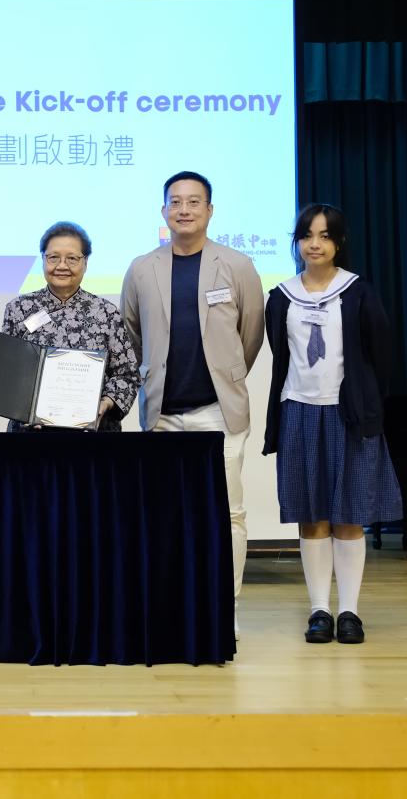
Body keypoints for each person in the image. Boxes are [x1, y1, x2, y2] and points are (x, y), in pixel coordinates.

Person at [121, 171, 264, 636]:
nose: (184, 210)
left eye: (194, 202)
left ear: (210, 210)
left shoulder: (237, 265)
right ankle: (172, 607)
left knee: (228, 514)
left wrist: (225, 376)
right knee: (165, 514)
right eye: (176, 202)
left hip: (218, 412)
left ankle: (225, 607)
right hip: (162, 414)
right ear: (163, 210)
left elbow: (250, 334)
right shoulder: (142, 268)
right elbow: (131, 334)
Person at [261, 203, 402, 644]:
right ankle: (319, 610)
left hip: (349, 414)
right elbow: (281, 355)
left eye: (324, 236)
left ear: (339, 242)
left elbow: (381, 356)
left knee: (349, 517)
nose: (314, 244)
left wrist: (366, 402)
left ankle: (350, 612)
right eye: (306, 236)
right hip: (299, 411)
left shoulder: (358, 292)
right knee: (311, 516)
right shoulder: (281, 296)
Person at [0, 221, 139, 431]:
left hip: (93, 431)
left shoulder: (107, 313)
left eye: (72, 258)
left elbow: (127, 374)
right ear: (43, 259)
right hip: (31, 432)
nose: (62, 266)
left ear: (86, 262)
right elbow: (7, 373)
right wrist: (22, 409)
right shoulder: (18, 309)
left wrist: (105, 404)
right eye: (53, 257)